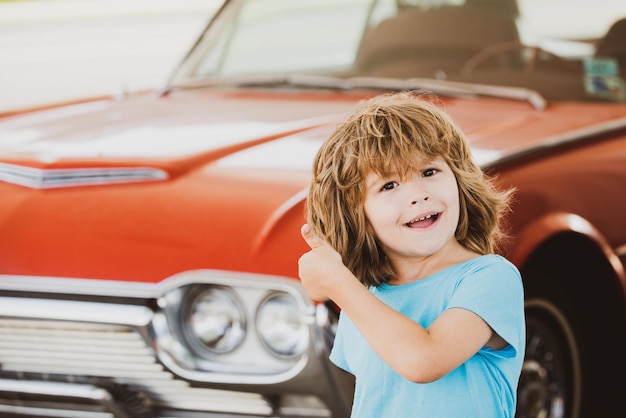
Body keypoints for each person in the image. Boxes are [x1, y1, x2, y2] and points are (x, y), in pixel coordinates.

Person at [298, 91, 525, 418]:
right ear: (355, 215)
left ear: (460, 180)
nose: (418, 195)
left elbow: (423, 361)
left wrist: (338, 284)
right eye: (389, 186)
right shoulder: (366, 299)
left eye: (429, 172)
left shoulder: (490, 277)